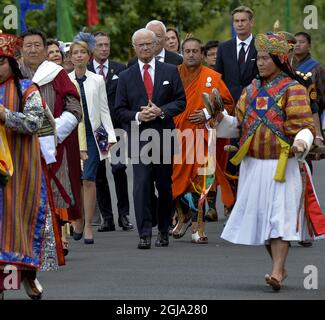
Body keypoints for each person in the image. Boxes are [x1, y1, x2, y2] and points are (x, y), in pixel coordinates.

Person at [212, 32, 325, 291]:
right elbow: (238, 127)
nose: (259, 62)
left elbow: (305, 127)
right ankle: (280, 267)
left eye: (264, 58)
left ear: (278, 58)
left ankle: (276, 272)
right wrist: (220, 119)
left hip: (282, 166)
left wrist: (302, 142)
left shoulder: (294, 89)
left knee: (280, 219)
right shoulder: (250, 90)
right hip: (253, 166)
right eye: (257, 58)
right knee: (263, 221)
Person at [115, 28, 186, 249]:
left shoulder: (170, 71)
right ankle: (144, 232)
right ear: (134, 47)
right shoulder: (126, 76)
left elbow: (180, 101)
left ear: (156, 45)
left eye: (149, 44)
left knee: (164, 186)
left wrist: (161, 111)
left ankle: (163, 230)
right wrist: (138, 115)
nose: (145, 48)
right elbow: (119, 110)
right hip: (139, 136)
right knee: (142, 185)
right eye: (140, 45)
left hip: (164, 133)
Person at [20, 29, 83, 239]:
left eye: (38, 45)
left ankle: (58, 237)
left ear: (45, 48)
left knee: (55, 190)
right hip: (20, 142)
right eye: (28, 45)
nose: (33, 49)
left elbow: (74, 105)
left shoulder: (56, 73)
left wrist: (56, 130)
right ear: (21, 49)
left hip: (54, 143)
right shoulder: (14, 73)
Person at [0, 32, 50, 300]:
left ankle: (28, 274)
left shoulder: (27, 88)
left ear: (11, 63)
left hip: (19, 168)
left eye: (0, 63)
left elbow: (34, 123)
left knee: (18, 222)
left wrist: (5, 115)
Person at [171, 37, 234, 243]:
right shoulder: (172, 74)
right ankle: (183, 215)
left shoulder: (212, 77)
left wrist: (207, 114)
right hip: (175, 136)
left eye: (195, 51)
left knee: (200, 182)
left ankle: (198, 227)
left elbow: (227, 104)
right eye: (187, 51)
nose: (191, 54)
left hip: (202, 136)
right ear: (182, 53)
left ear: (202, 54)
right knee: (172, 183)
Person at [68, 37, 116, 244]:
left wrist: (111, 136)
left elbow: (104, 109)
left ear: (89, 57)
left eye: (82, 53)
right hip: (72, 134)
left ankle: (88, 224)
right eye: (75, 53)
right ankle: (78, 219)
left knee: (89, 178)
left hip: (95, 134)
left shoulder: (97, 80)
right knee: (75, 179)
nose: (79, 56)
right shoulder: (65, 79)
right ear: (70, 58)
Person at [88, 31, 133, 232]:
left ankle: (123, 214)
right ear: (92, 47)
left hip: (116, 128)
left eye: (107, 45)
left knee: (118, 169)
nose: (104, 48)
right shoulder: (86, 70)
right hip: (95, 128)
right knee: (98, 174)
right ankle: (107, 218)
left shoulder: (120, 69)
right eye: (100, 45)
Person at [215, 5, 258, 216]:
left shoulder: (261, 47)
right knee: (230, 156)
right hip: (230, 110)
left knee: (251, 155)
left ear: (251, 23)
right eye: (237, 21)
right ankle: (231, 203)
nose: (240, 24)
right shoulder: (225, 48)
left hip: (255, 110)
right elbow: (218, 78)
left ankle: (251, 203)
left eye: (243, 20)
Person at [46, 39, 70, 255]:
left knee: (60, 185)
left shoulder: (62, 77)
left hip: (63, 136)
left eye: (57, 52)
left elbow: (74, 106)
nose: (54, 55)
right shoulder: (32, 79)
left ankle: (63, 236)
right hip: (34, 138)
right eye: (50, 52)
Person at [294, 32, 325, 148]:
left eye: (302, 42)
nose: (297, 45)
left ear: (309, 46)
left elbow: (323, 94)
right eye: (295, 42)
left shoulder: (317, 68)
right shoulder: (286, 66)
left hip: (311, 113)